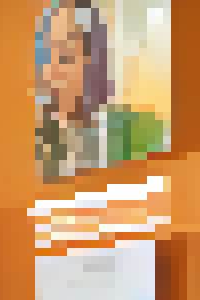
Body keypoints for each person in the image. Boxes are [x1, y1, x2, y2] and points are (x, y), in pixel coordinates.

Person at [35, 0, 169, 181]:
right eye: (45, 55)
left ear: (96, 59)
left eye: (64, 56)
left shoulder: (137, 132)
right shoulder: (33, 137)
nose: (51, 69)